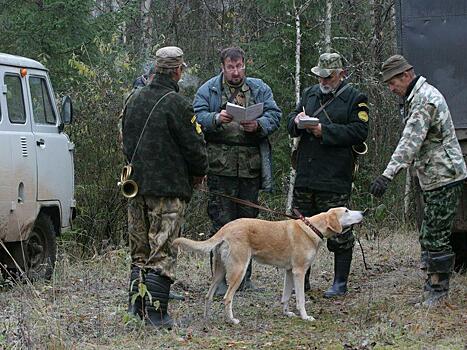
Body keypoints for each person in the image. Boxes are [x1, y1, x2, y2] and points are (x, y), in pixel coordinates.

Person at [370, 54, 467, 306]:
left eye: (392, 83)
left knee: (435, 235)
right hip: (434, 176)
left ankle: (438, 292)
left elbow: (409, 143)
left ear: (406, 75)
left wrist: (387, 175)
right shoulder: (416, 97)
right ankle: (431, 286)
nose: (391, 89)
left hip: (444, 176)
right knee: (428, 232)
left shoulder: (424, 100)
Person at [122, 46, 208, 327]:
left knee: (140, 251)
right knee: (163, 249)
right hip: (168, 190)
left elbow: (125, 142)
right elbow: (195, 149)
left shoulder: (133, 99)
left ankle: (136, 310)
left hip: (136, 187)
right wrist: (198, 174)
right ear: (178, 71)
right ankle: (157, 315)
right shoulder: (178, 104)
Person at [193, 47, 281, 295]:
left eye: (239, 66)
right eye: (231, 67)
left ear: (245, 65)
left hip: (251, 168)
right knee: (221, 224)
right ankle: (220, 281)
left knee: (249, 226)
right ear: (222, 67)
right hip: (220, 168)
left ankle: (245, 279)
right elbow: (195, 117)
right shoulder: (209, 89)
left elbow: (275, 114)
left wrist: (259, 124)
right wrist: (214, 119)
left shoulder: (258, 88)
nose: (235, 72)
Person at [287, 52, 369, 297]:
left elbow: (359, 131)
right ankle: (302, 281)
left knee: (339, 232)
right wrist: (297, 120)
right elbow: (290, 121)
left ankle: (340, 282)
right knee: (300, 228)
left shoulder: (355, 98)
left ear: (341, 74)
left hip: (334, 175)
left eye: (329, 77)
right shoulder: (309, 94)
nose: (323, 81)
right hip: (305, 173)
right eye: (320, 76)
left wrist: (325, 131)